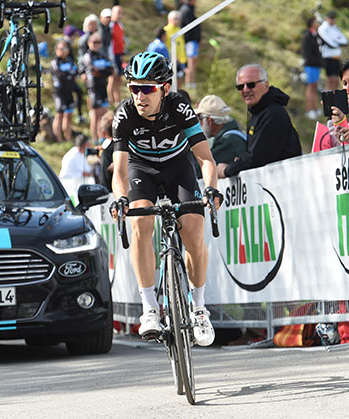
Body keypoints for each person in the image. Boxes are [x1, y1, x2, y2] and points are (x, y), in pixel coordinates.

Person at [110, 51, 222, 346]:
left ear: (164, 89)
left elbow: (206, 160)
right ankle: (149, 308)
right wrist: (120, 199)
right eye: (134, 87)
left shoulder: (180, 108)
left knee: (194, 231)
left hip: (177, 168)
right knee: (141, 223)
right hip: (141, 169)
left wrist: (211, 189)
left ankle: (198, 307)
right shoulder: (125, 114)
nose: (139, 95)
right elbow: (119, 171)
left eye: (147, 88)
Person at [216, 64, 302, 178]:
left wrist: (227, 171)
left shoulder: (273, 113)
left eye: (251, 85)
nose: (246, 90)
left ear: (266, 85)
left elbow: (257, 158)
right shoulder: (257, 111)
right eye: (240, 87)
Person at [194, 95, 246, 179]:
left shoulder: (230, 141)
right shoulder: (233, 137)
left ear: (209, 120)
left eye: (200, 119)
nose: (199, 124)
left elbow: (201, 168)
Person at [79, 33, 113, 142]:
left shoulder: (102, 55)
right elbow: (95, 72)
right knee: (95, 115)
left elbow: (111, 70)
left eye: (98, 42)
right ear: (89, 43)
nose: (96, 44)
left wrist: (102, 71)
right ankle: (94, 138)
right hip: (93, 88)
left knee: (104, 113)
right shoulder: (87, 56)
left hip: (103, 86)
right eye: (94, 42)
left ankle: (102, 136)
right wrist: (103, 71)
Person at [51, 40, 79, 142]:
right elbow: (60, 75)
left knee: (69, 115)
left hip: (69, 91)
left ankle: (68, 137)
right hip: (59, 92)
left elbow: (75, 71)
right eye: (61, 49)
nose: (63, 51)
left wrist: (68, 74)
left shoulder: (69, 61)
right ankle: (58, 138)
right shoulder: (54, 62)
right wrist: (69, 74)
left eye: (65, 48)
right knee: (59, 115)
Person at [317, 11, 348, 90]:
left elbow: (344, 40)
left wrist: (337, 42)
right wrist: (337, 43)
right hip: (328, 57)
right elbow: (330, 43)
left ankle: (335, 99)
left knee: (336, 79)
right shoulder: (323, 28)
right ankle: (328, 99)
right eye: (330, 19)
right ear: (327, 18)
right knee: (330, 79)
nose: (332, 21)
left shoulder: (335, 28)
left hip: (336, 57)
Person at [301, 16, 323, 120]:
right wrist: (315, 61)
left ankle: (314, 108)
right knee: (310, 87)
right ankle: (308, 109)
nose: (317, 23)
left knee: (314, 86)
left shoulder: (315, 35)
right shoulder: (308, 36)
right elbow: (307, 52)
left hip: (315, 65)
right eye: (315, 21)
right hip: (310, 65)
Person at [179, 0, 200, 89]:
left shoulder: (190, 9)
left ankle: (192, 81)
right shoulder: (186, 10)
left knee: (194, 62)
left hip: (193, 41)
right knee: (190, 63)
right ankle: (188, 83)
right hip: (189, 41)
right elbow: (188, 27)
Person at [108, 5, 126, 106]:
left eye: (121, 13)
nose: (119, 15)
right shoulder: (110, 26)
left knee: (119, 76)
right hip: (112, 54)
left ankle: (117, 98)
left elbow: (121, 40)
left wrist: (122, 53)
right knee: (112, 77)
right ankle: (110, 99)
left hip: (119, 54)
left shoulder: (120, 25)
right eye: (117, 13)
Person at [164, 11, 187, 85]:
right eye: (175, 18)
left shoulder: (179, 30)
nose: (177, 21)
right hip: (170, 59)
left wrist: (182, 58)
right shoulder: (166, 30)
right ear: (169, 19)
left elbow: (181, 45)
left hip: (180, 60)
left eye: (179, 19)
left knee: (180, 77)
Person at [99, 111, 115, 192]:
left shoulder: (107, 152)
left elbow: (104, 180)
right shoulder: (130, 144)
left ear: (104, 133)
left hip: (112, 194)